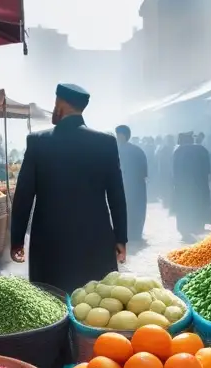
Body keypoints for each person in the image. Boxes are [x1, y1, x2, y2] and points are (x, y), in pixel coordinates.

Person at [11, 84, 127, 293]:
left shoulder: (38, 142)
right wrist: (121, 237)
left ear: (60, 104)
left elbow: (23, 196)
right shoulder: (105, 142)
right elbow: (117, 194)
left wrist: (17, 239)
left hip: (50, 242)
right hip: (95, 240)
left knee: (51, 302)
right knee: (93, 305)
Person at [173, 132, 211, 239]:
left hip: (183, 187)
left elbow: (175, 171)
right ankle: (198, 226)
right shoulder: (202, 150)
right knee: (199, 205)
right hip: (199, 186)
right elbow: (208, 169)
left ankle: (185, 229)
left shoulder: (178, 151)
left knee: (184, 207)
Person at [115, 125, 148, 243]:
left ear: (125, 136)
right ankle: (131, 233)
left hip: (132, 186)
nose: (118, 137)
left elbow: (143, 171)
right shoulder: (136, 150)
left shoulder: (120, 150)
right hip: (129, 186)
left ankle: (133, 233)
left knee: (133, 210)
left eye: (120, 135)